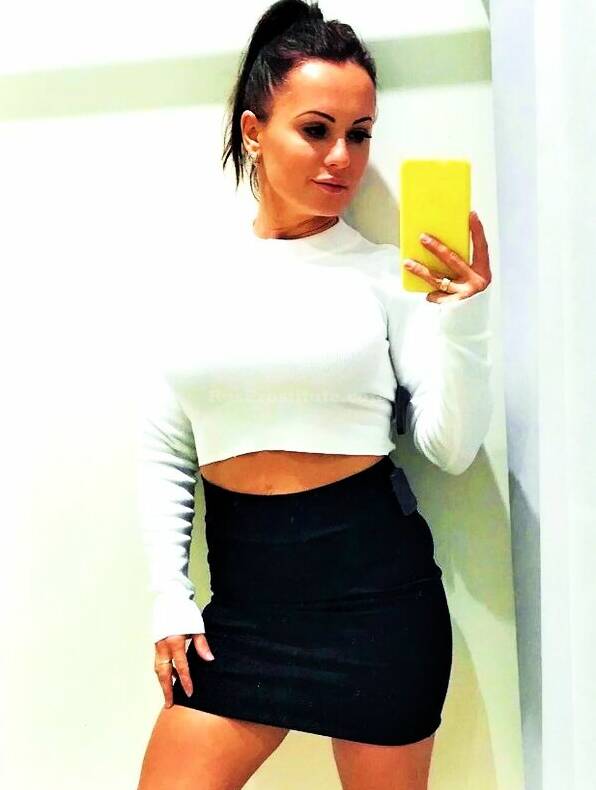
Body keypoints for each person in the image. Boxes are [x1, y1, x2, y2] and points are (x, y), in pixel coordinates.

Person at [135, 1, 493, 788]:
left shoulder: (386, 275)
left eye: (360, 134)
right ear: (254, 130)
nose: (341, 158)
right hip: (246, 608)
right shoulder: (190, 278)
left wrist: (465, 321)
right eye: (316, 129)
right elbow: (165, 451)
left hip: (378, 604)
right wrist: (170, 599)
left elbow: (451, 449)